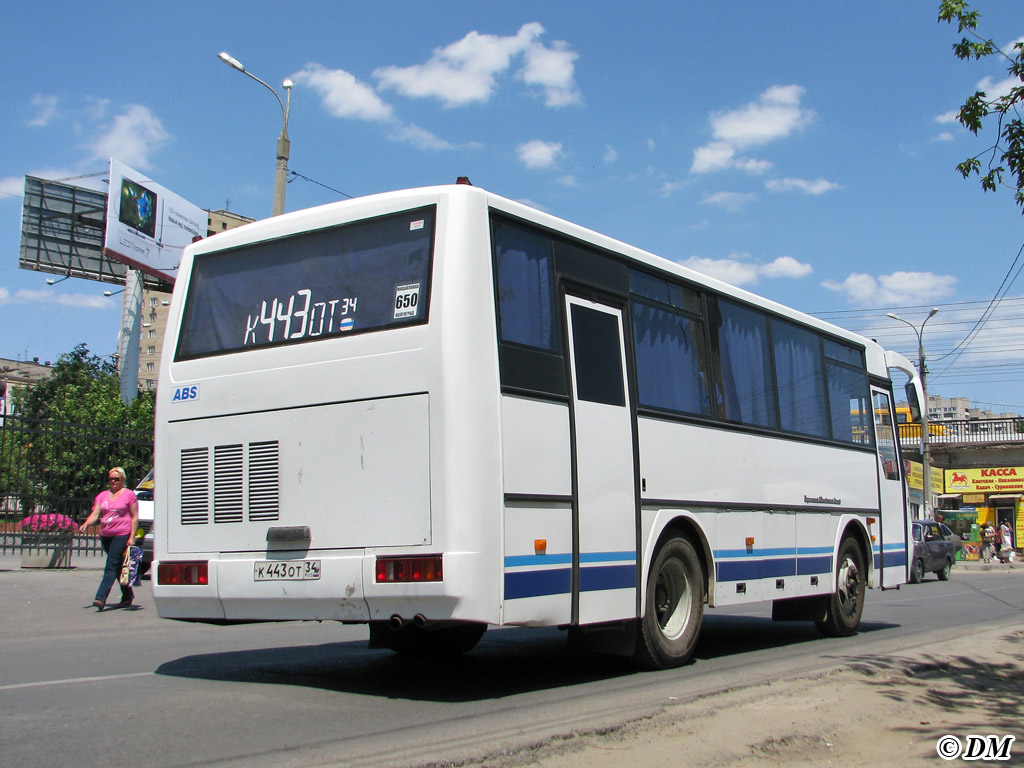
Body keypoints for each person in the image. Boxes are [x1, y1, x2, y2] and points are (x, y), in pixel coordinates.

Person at [80, 467, 139, 610]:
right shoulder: (102, 496)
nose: (113, 481)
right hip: (106, 535)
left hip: (121, 534)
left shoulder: (129, 495)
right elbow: (96, 514)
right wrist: (87, 523)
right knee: (118, 566)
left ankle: (100, 597)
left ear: (123, 480)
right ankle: (127, 596)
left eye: (116, 479)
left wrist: (132, 536)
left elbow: (134, 516)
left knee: (111, 565)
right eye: (111, 478)